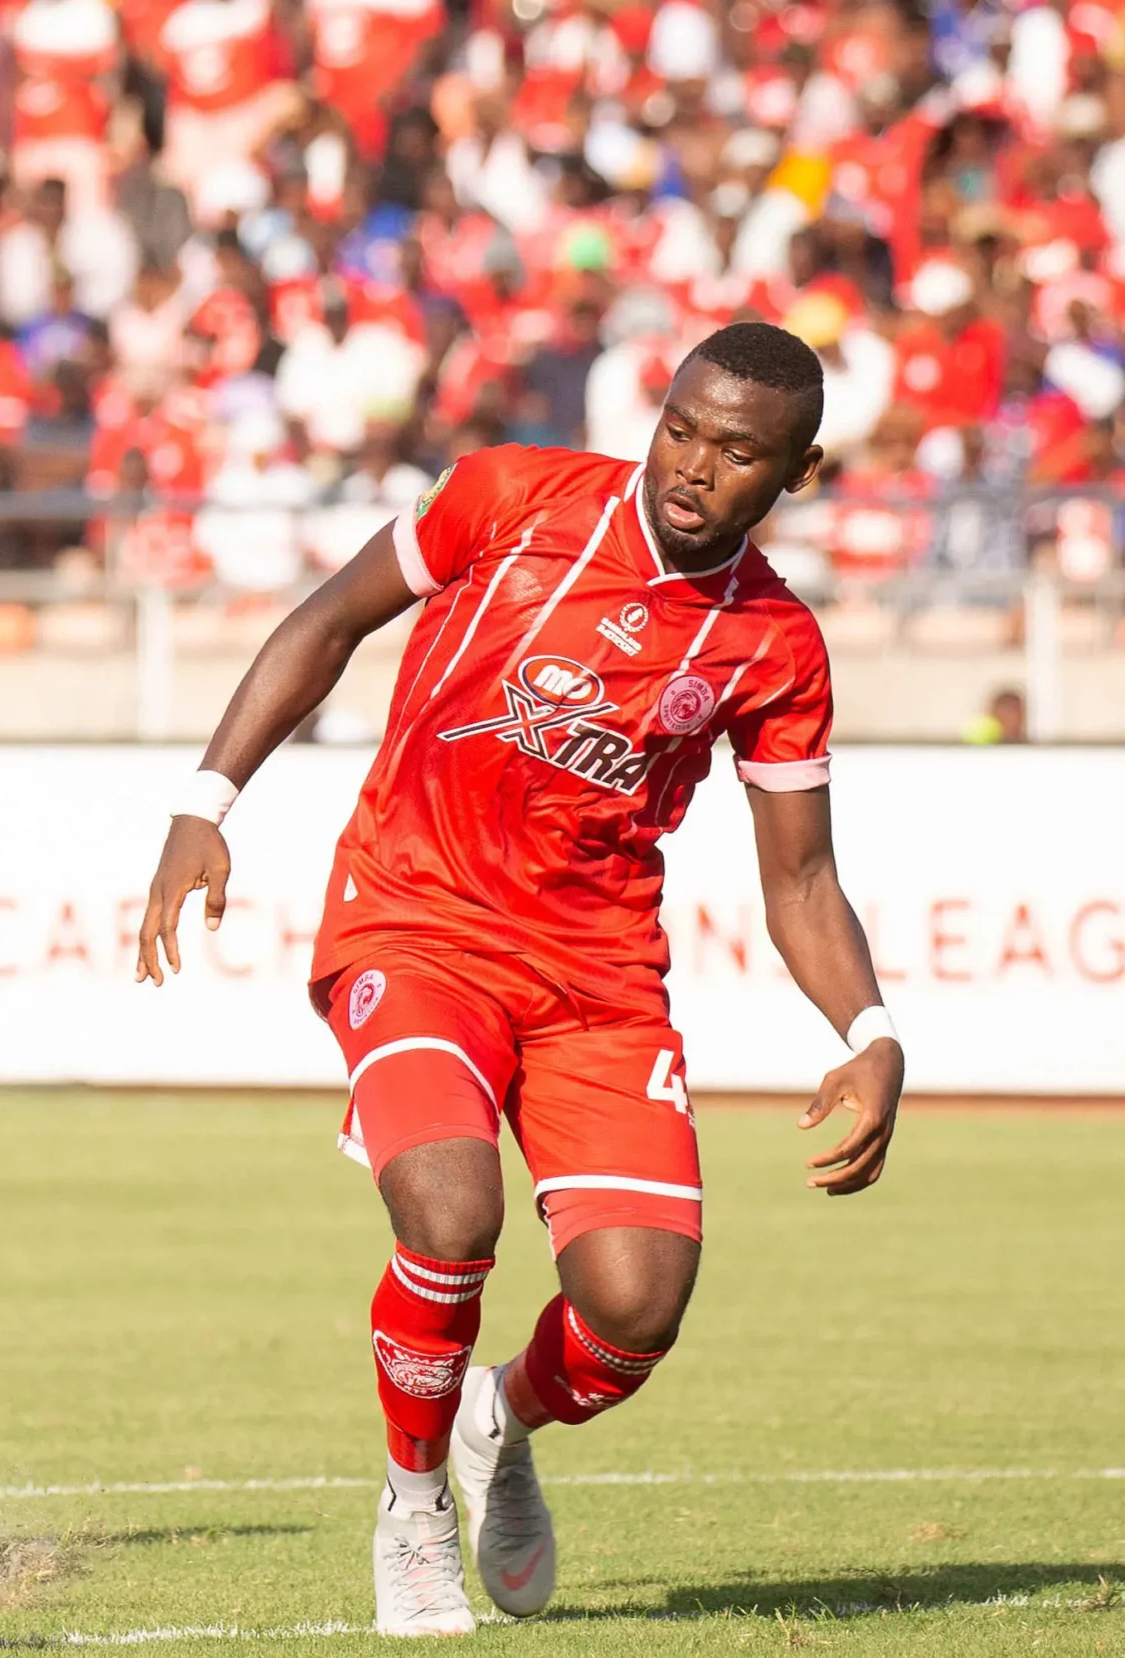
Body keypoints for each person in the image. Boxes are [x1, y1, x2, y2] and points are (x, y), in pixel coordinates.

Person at [135, 323, 905, 1636]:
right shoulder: (513, 495)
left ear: (799, 472)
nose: (694, 467)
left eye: (738, 452)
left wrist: (873, 1030)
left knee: (632, 1313)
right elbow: (327, 622)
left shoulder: (776, 646)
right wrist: (208, 799)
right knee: (449, 1209)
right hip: (415, 919)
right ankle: (413, 1498)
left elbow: (800, 882)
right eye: (682, 428)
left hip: (597, 978)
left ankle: (497, 1413)